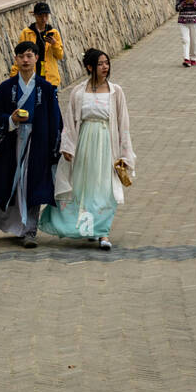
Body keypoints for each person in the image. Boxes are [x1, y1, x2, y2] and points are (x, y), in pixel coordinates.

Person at [40, 47, 135, 251]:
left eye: (106, 63)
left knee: (104, 188)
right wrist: (68, 146)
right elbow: (70, 122)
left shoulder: (115, 92)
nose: (105, 67)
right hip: (84, 144)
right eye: (100, 64)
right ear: (90, 67)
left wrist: (125, 153)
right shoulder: (79, 92)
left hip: (106, 145)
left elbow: (123, 123)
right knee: (83, 188)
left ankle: (103, 232)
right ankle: (87, 225)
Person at [0, 42, 63, 248]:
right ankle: (18, 225)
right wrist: (11, 119)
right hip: (13, 143)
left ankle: (30, 230)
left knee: (33, 184)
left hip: (37, 145)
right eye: (21, 56)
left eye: (29, 56)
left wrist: (55, 147)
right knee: (15, 186)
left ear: (37, 58)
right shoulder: (6, 88)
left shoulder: (46, 89)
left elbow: (56, 119)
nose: (25, 60)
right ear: (15, 59)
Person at [10, 1, 66, 88]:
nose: (43, 19)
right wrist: (14, 74)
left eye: (46, 16)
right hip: (30, 76)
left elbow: (60, 55)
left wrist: (54, 44)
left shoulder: (53, 33)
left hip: (50, 78)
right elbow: (19, 55)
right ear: (35, 15)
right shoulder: (26, 33)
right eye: (40, 16)